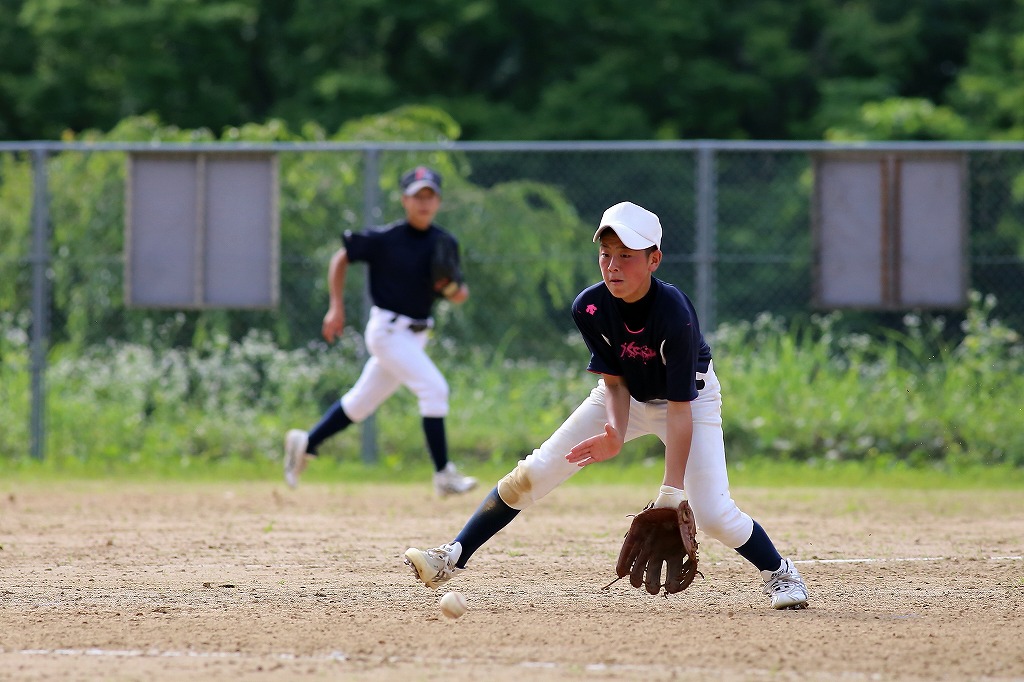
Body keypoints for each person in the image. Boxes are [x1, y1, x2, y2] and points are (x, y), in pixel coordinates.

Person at [403, 201, 809, 609]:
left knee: (714, 515)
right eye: (606, 253)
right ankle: (451, 556)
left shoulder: (675, 314)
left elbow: (680, 408)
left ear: (654, 260)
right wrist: (614, 433)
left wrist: (670, 493)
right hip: (625, 397)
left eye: (627, 256)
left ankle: (781, 573)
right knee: (534, 472)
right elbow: (614, 384)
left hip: (689, 401)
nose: (613, 265)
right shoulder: (590, 307)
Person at [284, 166, 478, 498]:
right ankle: (443, 474)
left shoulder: (445, 241)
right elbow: (340, 259)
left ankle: (306, 442)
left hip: (415, 336)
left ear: (439, 201)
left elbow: (459, 293)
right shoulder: (386, 239)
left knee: (359, 404)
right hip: (387, 331)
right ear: (404, 200)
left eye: (430, 196)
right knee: (434, 389)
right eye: (417, 196)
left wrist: (450, 289)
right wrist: (336, 306)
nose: (424, 202)